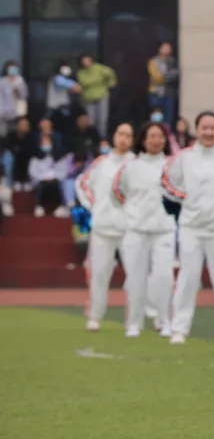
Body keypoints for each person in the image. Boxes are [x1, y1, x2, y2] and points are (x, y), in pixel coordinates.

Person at [162, 111, 214, 345]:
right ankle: (179, 328)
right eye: (204, 128)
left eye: (213, 128)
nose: (209, 132)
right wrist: (186, 198)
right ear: (197, 130)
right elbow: (166, 182)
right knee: (188, 278)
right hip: (191, 227)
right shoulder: (184, 157)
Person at [112, 122, 175, 337]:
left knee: (163, 278)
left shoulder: (172, 165)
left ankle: (164, 321)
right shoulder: (131, 166)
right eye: (151, 136)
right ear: (144, 140)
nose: (156, 140)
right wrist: (132, 211)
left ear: (165, 140)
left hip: (164, 229)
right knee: (135, 279)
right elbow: (118, 192)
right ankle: (134, 322)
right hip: (136, 230)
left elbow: (180, 193)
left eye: (160, 136)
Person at [76, 123, 136, 331]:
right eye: (120, 134)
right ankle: (95, 315)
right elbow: (82, 184)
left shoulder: (137, 164)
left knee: (135, 274)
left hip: (130, 228)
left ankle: (133, 317)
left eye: (128, 135)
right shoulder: (101, 163)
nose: (123, 139)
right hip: (102, 228)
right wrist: (95, 206)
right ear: (114, 136)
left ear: (133, 140)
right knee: (98, 273)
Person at [29, 117, 74, 217]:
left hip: (55, 179)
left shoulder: (58, 157)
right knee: (42, 186)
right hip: (41, 180)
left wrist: (54, 177)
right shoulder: (36, 158)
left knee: (58, 185)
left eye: (48, 142)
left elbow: (63, 171)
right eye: (44, 142)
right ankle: (39, 206)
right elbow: (33, 172)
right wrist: (43, 177)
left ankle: (60, 206)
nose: (46, 144)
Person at [76, 54, 117, 136]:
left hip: (101, 96)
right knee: (91, 121)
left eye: (87, 59)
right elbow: (80, 84)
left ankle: (102, 138)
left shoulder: (99, 68)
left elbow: (110, 73)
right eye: (83, 60)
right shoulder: (80, 73)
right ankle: (93, 138)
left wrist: (111, 84)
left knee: (102, 120)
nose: (86, 62)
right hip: (88, 99)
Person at [147, 42, 179, 127]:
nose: (166, 50)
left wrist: (164, 76)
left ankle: (167, 131)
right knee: (156, 114)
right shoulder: (153, 61)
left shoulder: (173, 61)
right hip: (156, 92)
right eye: (164, 48)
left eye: (168, 48)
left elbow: (176, 74)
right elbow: (156, 77)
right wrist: (166, 77)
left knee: (169, 116)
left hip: (169, 93)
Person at [2, 116, 33, 191]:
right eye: (22, 125)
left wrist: (19, 150)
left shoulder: (31, 136)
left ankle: (26, 181)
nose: (24, 127)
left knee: (28, 159)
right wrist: (15, 150)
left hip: (26, 156)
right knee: (8, 157)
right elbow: (7, 146)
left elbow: (31, 148)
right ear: (17, 126)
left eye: (26, 125)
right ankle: (13, 182)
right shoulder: (11, 135)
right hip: (13, 156)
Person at [0, 60, 27, 138]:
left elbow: (23, 96)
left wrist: (16, 86)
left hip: (16, 114)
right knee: (3, 135)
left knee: (15, 135)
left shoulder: (20, 81)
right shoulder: (2, 82)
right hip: (3, 114)